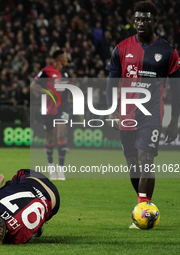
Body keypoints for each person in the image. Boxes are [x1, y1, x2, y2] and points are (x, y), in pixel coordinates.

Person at [105, 1, 180, 228]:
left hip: (152, 115)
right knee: (132, 163)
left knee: (146, 159)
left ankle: (143, 210)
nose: (140, 23)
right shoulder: (121, 48)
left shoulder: (168, 51)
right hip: (127, 113)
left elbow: (176, 90)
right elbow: (110, 84)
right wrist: (112, 112)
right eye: (137, 18)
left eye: (145, 18)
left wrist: (173, 121)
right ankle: (143, 204)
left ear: (154, 20)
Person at [0, 169, 60, 244]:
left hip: (53, 202)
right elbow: (0, 176)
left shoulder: (19, 238)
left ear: (6, 232)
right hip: (33, 179)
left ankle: (39, 224)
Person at [31, 49, 69, 180]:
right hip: (48, 108)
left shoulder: (65, 73)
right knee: (50, 137)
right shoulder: (46, 71)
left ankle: (61, 169)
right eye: (65, 57)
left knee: (61, 133)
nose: (67, 59)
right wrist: (46, 91)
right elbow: (33, 86)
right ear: (58, 59)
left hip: (63, 108)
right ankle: (51, 166)